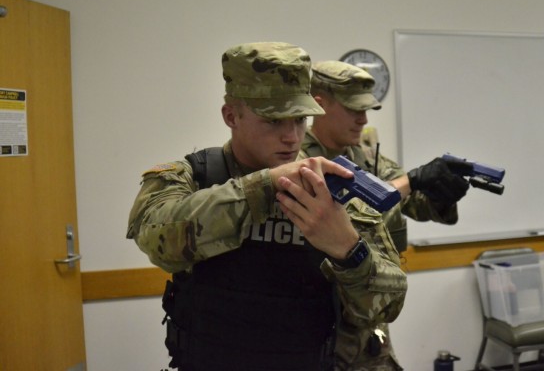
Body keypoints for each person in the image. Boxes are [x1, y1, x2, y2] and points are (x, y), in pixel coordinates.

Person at [127, 42, 407, 371]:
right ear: (231, 116)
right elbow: (156, 237)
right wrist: (266, 186)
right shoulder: (192, 177)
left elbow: (387, 306)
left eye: (300, 119)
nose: (292, 137)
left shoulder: (331, 190)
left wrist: (348, 249)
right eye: (273, 121)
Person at [299, 60, 471, 370]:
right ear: (319, 105)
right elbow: (355, 209)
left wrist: (442, 193)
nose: (363, 119)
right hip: (324, 329)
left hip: (370, 324)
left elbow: (413, 201)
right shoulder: (299, 162)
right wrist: (411, 181)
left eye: (366, 110)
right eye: (353, 109)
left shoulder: (364, 157)